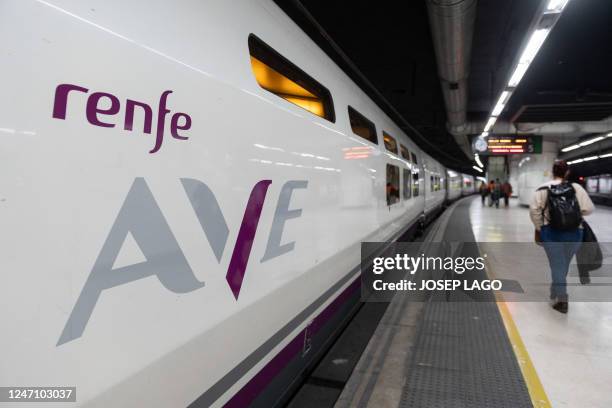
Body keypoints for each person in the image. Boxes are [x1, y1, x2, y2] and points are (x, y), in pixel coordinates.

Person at [529, 160, 594, 313]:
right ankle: (556, 289)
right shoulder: (576, 188)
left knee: (557, 264)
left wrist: (540, 227)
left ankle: (562, 299)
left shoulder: (542, 189)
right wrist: (574, 216)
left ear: (552, 172)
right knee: (562, 264)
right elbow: (589, 209)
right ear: (567, 173)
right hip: (575, 233)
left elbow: (534, 212)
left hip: (551, 232)